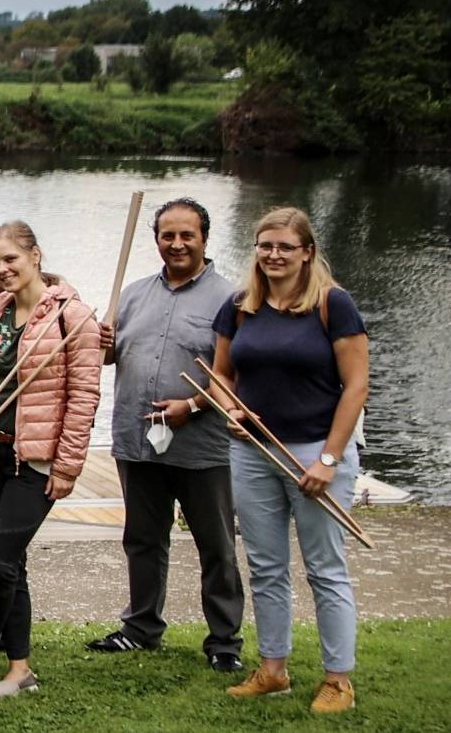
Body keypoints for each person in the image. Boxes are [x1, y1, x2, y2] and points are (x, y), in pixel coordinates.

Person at [211, 207, 368, 714]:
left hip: (314, 454)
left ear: (307, 252)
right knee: (265, 566)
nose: (273, 254)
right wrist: (230, 408)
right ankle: (274, 669)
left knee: (326, 568)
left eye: (284, 246)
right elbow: (220, 375)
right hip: (252, 451)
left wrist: (328, 458)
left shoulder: (333, 304)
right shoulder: (241, 305)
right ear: (255, 250)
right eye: (265, 245)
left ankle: (338, 679)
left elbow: (356, 385)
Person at [89, 198, 243, 671]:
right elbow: (115, 357)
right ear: (156, 239)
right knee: (142, 539)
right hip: (138, 440)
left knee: (215, 545)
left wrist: (194, 405)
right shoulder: (133, 294)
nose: (176, 244)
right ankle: (141, 628)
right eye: (167, 235)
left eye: (186, 235)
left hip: (202, 446)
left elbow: (234, 374)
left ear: (204, 238)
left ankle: (223, 641)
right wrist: (104, 345)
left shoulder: (232, 299)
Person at [0, 221, 102, 697]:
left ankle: (4, 656)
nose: (0, 270)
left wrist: (68, 465)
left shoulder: (72, 316)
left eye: (10, 259)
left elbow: (84, 398)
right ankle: (5, 657)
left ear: (35, 256)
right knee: (9, 564)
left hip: (35, 461)